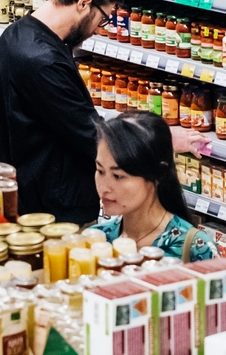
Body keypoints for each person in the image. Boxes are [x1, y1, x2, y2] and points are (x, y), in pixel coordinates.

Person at [0, 0, 121, 225]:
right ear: (85, 3)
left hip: (27, 195)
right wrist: (156, 137)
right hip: (54, 213)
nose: (97, 30)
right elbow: (91, 135)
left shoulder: (15, 35)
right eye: (103, 18)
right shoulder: (42, 61)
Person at [91, 110, 217, 261]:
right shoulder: (97, 241)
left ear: (158, 174)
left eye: (118, 176)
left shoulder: (196, 248)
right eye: (100, 171)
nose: (104, 187)